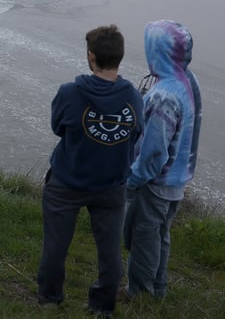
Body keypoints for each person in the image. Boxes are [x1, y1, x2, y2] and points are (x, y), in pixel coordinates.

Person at [37, 25, 143, 316]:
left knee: (56, 244)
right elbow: (135, 135)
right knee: (109, 251)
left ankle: (49, 298)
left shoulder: (70, 93)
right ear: (119, 57)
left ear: (91, 55)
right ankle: (102, 306)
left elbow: (58, 127)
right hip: (111, 186)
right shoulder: (134, 98)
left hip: (67, 181)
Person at [124, 20, 202, 299]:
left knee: (144, 238)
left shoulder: (164, 95)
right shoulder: (187, 80)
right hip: (176, 179)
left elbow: (154, 151)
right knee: (160, 235)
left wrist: (132, 181)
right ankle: (158, 289)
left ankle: (140, 295)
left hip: (155, 182)